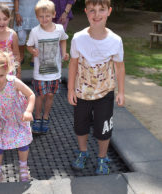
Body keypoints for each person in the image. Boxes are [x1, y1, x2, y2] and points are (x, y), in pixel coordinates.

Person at [67, 0, 125, 175]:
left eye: (101, 10)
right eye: (92, 10)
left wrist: (121, 92)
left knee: (104, 128)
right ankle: (83, 153)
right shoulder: (78, 38)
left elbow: (120, 67)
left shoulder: (115, 40)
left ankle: (102, 157)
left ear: (109, 11)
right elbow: (73, 64)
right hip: (82, 93)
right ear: (86, 12)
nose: (97, 14)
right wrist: (70, 89)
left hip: (104, 93)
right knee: (80, 126)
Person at [0, 49, 35, 183]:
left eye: (1, 75)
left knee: (23, 144)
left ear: (8, 70)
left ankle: (23, 167)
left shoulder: (13, 82)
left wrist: (28, 111)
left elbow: (31, 95)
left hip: (17, 118)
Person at [27, 0, 69, 134]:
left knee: (50, 95)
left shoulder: (59, 29)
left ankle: (46, 117)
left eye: (47, 16)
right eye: (41, 16)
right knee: (40, 96)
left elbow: (63, 39)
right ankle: (37, 117)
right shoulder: (35, 31)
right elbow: (29, 45)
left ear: (54, 14)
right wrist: (32, 51)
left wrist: (64, 52)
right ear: (37, 16)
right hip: (40, 72)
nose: (44, 19)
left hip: (54, 72)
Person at [14, 0, 39, 67]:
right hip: (21, 13)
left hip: (35, 13)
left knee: (35, 35)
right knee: (21, 36)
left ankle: (34, 55)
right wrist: (17, 13)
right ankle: (21, 54)